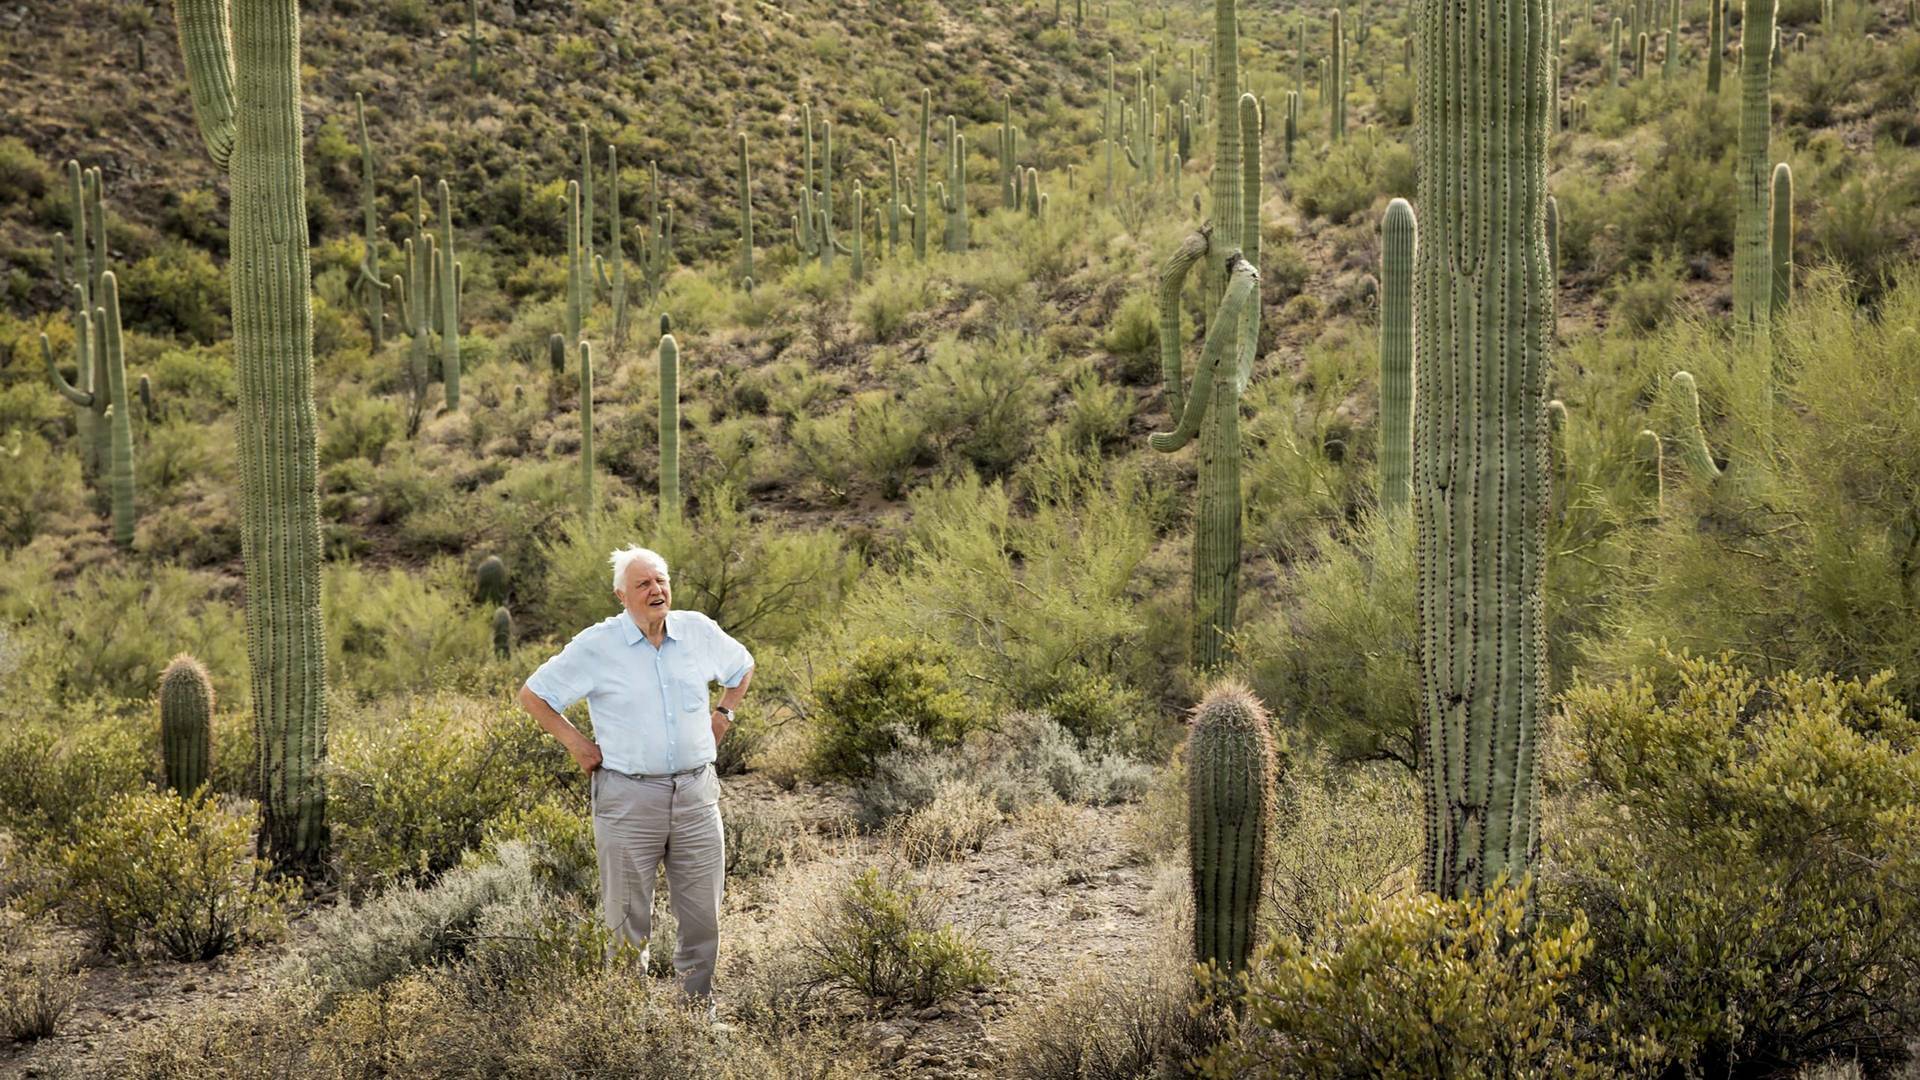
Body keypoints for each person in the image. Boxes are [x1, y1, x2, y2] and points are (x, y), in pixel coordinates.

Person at [516, 545, 753, 1020]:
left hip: (696, 795)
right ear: (621, 594)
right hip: (628, 797)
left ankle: (695, 1020)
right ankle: (627, 1026)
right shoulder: (597, 645)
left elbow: (741, 666)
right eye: (643, 584)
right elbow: (534, 695)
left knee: (703, 917)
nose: (656, 590)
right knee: (626, 920)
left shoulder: (699, 632)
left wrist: (723, 714)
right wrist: (578, 745)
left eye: (661, 580)